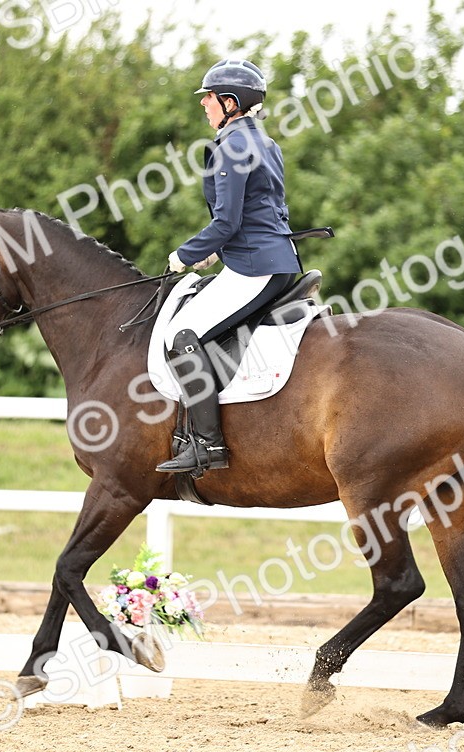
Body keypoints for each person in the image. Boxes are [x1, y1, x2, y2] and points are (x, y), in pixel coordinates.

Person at [155, 58, 302, 475]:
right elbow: (262, 211)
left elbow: (227, 221)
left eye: (209, 98)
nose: (204, 105)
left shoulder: (232, 145)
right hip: (272, 257)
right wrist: (216, 253)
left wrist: (184, 254)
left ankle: (207, 444)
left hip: (256, 267)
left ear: (231, 102)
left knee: (181, 335)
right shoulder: (264, 142)